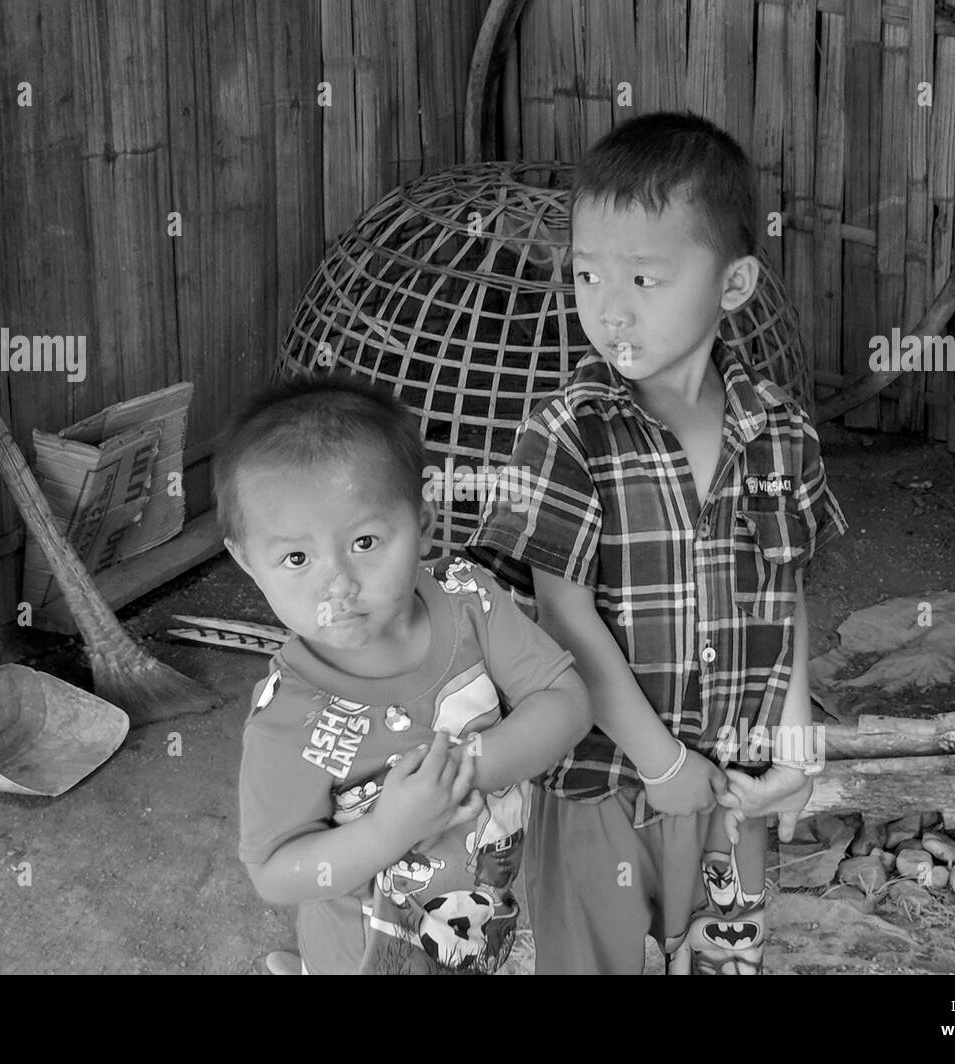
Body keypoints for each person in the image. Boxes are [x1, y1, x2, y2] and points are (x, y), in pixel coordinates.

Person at [466, 111, 847, 975]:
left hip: (734, 781)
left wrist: (794, 746)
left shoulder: (779, 432)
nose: (608, 307)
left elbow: (785, 589)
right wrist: (660, 759)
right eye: (589, 274)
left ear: (734, 283)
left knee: (720, 952)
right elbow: (561, 621)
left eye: (643, 276)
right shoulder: (568, 432)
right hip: (603, 782)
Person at [217, 372, 590, 974]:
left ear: (423, 522)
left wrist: (467, 771)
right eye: (295, 558)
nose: (337, 583)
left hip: (485, 923)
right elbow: (275, 873)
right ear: (245, 561)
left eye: (365, 541)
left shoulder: (472, 602)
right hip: (363, 958)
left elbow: (567, 701)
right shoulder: (289, 718)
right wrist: (391, 830)